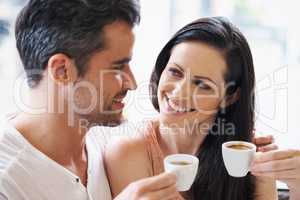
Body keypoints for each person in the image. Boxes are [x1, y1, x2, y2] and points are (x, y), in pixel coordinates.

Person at [0, 0, 178, 200]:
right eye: (118, 67)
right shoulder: (7, 182)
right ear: (62, 70)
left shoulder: (105, 143)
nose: (132, 84)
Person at [104, 17, 279, 200]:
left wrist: (275, 179)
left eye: (202, 85)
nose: (179, 93)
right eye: (175, 72)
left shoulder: (244, 155)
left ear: (229, 97)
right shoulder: (127, 152)